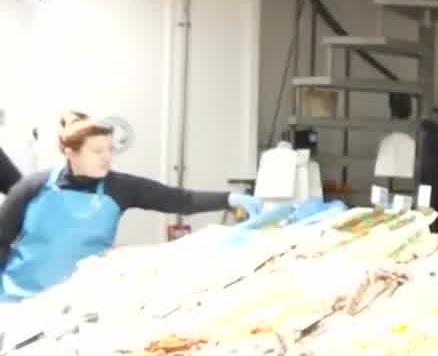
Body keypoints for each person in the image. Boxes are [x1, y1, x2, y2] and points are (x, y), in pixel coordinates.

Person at [0, 111, 264, 300]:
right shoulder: (32, 187)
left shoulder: (120, 188)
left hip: (78, 301)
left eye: (109, 150)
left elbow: (180, 199)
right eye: (97, 151)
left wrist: (228, 199)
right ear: (71, 152)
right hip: (20, 298)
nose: (106, 158)